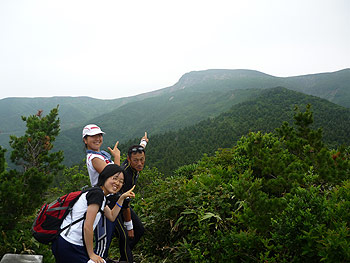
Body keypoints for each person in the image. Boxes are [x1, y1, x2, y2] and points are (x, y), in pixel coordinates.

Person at [82, 124, 148, 262]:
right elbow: (113, 177)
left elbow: (135, 157)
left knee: (134, 231)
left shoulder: (101, 155)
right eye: (93, 136)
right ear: (85, 140)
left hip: (114, 199)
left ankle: (120, 258)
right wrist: (117, 156)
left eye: (99, 135)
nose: (98, 138)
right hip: (105, 201)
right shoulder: (94, 158)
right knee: (120, 237)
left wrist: (143, 142)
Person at [52, 164, 135, 263]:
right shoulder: (97, 194)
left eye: (121, 181)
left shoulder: (101, 196)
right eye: (115, 178)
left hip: (71, 243)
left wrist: (121, 198)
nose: (117, 183)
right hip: (69, 243)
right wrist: (91, 254)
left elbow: (112, 216)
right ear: (105, 177)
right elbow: (88, 226)